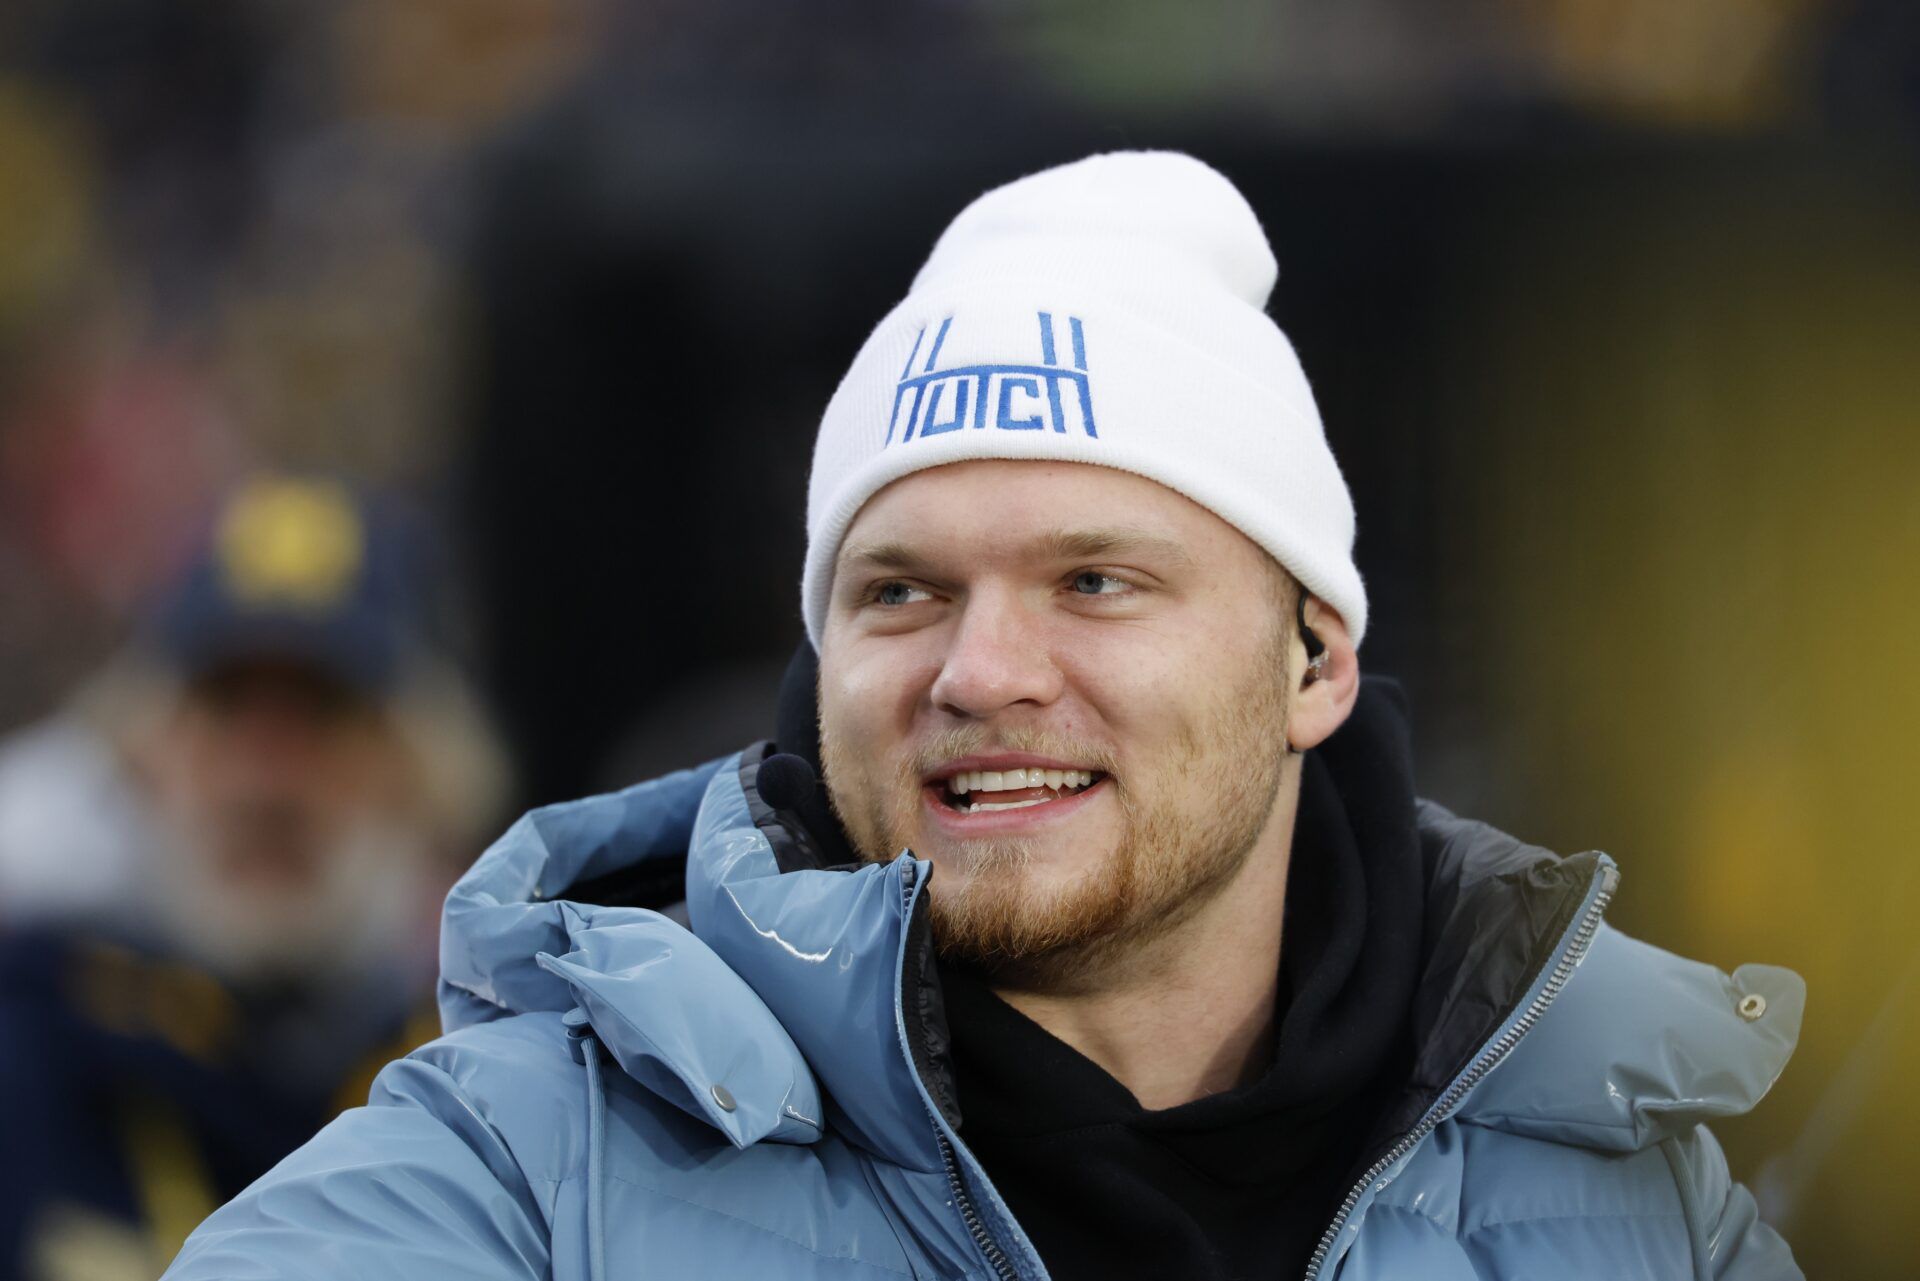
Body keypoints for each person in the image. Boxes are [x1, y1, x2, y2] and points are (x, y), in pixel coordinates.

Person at [161, 155, 1804, 1279]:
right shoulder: (538, 1162)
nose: (980, 672)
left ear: (1315, 662)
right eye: (900, 591)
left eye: (1097, 581)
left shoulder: (1629, 1191)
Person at [0, 474, 506, 1281]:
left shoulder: (502, 1096)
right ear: (145, 755)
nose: (264, 780)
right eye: (226, 707)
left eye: (323, 712)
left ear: (421, 773)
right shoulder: (30, 1062)